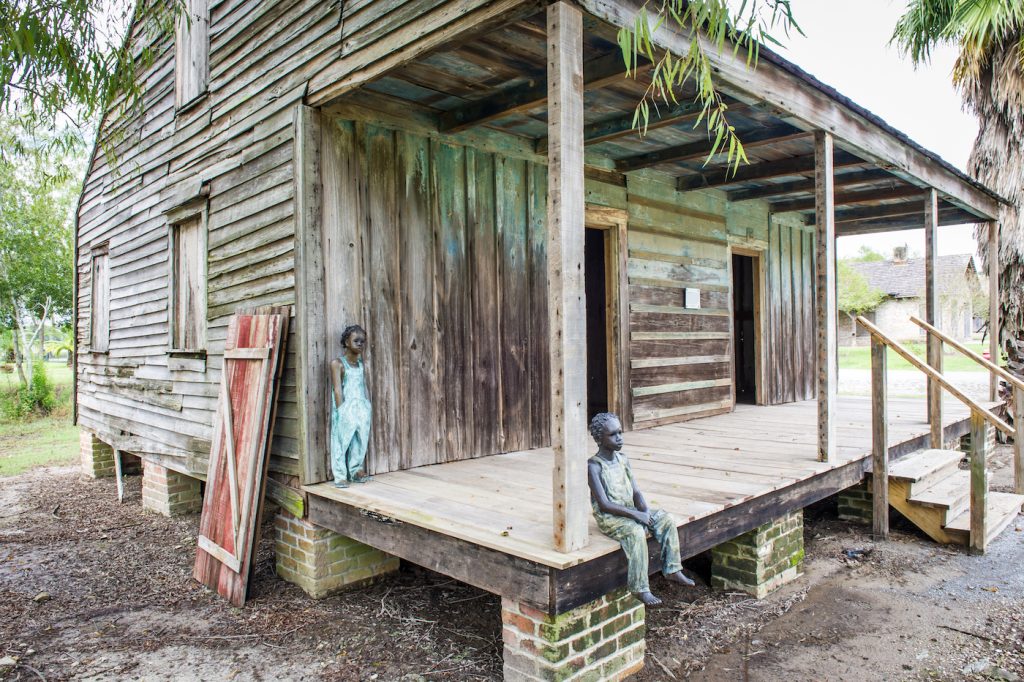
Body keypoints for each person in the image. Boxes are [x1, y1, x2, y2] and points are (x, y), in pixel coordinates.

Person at [587, 412, 694, 606]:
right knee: (636, 532)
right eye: (613, 434)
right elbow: (604, 504)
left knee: (665, 518)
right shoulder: (594, 466)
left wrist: (644, 512)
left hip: (629, 510)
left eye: (620, 432)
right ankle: (640, 588)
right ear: (599, 438)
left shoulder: (622, 459)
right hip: (610, 517)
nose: (619, 438)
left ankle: (673, 568)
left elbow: (636, 492)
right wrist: (637, 517)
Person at [329, 324, 372, 488]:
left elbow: (364, 386)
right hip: (346, 408)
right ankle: (340, 475)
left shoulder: (361, 365)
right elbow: (338, 389)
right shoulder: (338, 364)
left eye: (363, 341)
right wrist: (341, 410)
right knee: (341, 441)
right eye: (356, 340)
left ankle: (355, 470)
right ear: (346, 342)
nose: (361, 344)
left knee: (360, 441)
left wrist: (367, 406)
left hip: (361, 407)